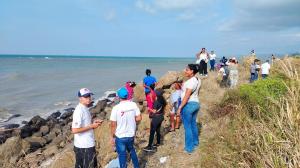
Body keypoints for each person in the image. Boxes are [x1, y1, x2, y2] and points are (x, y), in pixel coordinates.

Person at [110, 87, 142, 168]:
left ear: (119, 97)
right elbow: (139, 118)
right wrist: (132, 119)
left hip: (120, 136)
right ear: (127, 95)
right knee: (132, 151)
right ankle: (136, 166)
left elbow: (113, 124)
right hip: (131, 134)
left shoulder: (116, 108)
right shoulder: (133, 105)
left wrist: (112, 137)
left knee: (122, 155)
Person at [72, 88, 103, 168]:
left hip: (85, 145)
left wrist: (93, 123)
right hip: (84, 146)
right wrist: (92, 126)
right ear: (80, 98)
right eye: (86, 96)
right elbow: (74, 130)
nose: (89, 98)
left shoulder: (84, 108)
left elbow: (84, 125)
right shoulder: (79, 110)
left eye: (89, 96)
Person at [177, 64, 201, 154]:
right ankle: (195, 142)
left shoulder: (190, 82)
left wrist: (180, 107)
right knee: (193, 124)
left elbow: (186, 96)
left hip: (188, 105)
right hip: (196, 104)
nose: (185, 71)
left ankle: (189, 149)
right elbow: (197, 92)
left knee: (187, 127)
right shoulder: (198, 80)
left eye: (187, 70)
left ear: (192, 71)